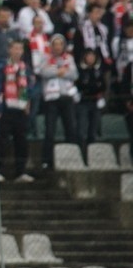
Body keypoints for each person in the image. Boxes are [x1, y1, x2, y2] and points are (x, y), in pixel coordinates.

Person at [0, 40, 35, 183]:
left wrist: (28, 101)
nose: (18, 51)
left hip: (21, 108)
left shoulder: (26, 68)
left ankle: (21, 171)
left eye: (20, 49)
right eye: (15, 48)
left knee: (21, 141)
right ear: (9, 50)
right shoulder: (3, 66)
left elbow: (30, 86)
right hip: (6, 108)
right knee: (2, 141)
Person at [41, 34, 78, 169]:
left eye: (60, 44)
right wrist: (59, 71)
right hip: (52, 99)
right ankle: (47, 161)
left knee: (71, 129)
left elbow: (74, 74)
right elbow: (43, 72)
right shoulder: (46, 58)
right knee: (50, 130)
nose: (57, 47)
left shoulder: (69, 58)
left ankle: (72, 159)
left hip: (67, 97)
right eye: (55, 44)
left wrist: (61, 71)